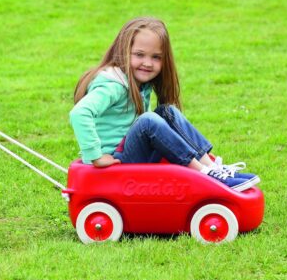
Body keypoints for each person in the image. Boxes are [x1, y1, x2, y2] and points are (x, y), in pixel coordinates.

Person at [69, 17, 259, 191]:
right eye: (139, 54)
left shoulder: (139, 84)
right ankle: (203, 174)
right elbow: (79, 113)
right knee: (148, 121)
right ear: (123, 52)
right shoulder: (113, 86)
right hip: (114, 165)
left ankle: (212, 168)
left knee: (167, 111)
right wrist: (96, 156)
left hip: (127, 155)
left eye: (156, 57)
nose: (147, 63)